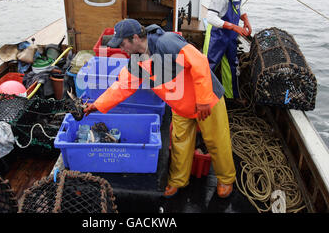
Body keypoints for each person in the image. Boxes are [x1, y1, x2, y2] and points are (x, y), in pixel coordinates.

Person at [84, 19, 236, 198]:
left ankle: (226, 178)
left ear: (134, 38)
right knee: (180, 143)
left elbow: (199, 62)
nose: (121, 48)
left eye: (122, 43)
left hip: (207, 101)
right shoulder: (136, 61)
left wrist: (203, 99)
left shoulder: (166, 42)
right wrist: (97, 105)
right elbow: (122, 86)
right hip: (180, 106)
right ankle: (178, 181)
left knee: (216, 141)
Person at [203, 0, 251, 99]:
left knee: (232, 66)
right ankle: (204, 97)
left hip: (231, 36)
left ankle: (231, 97)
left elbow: (238, 8)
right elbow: (211, 17)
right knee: (209, 65)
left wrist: (245, 19)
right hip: (216, 35)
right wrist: (233, 26)